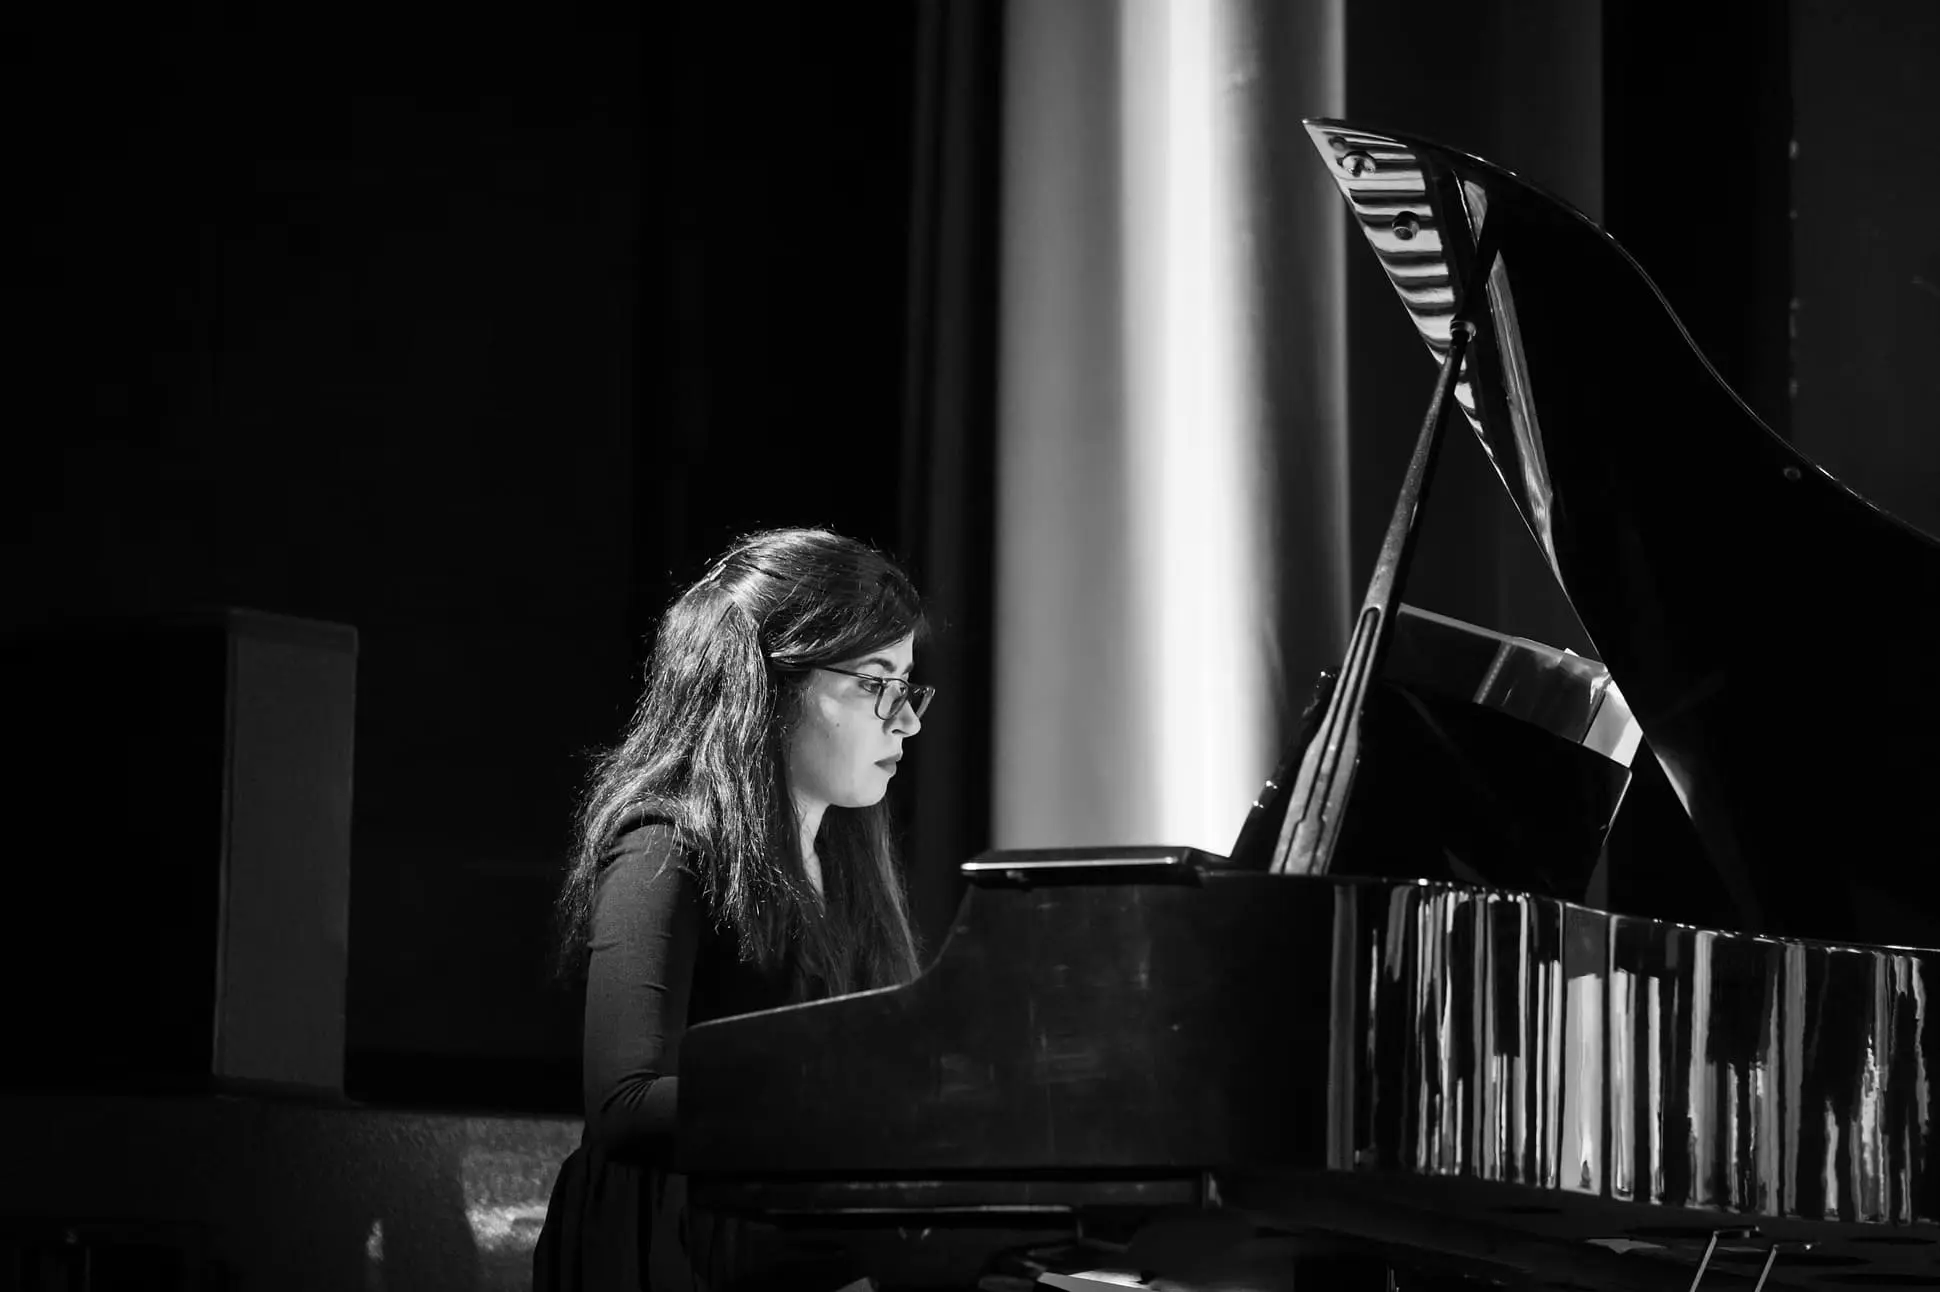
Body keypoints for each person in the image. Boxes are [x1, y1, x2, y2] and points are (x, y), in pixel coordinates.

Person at [533, 527, 934, 1292]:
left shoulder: (849, 862)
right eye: (874, 684)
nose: (907, 719)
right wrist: (850, 1097)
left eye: (907, 685)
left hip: (781, 1240)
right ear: (769, 685)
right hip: (667, 1250)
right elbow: (624, 1105)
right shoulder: (664, 845)